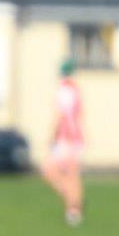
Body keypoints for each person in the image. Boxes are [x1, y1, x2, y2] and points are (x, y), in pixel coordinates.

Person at [42, 59, 85, 226]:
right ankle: (74, 207)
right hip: (75, 137)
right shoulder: (75, 89)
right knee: (72, 175)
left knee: (51, 171)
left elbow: (61, 115)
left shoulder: (64, 90)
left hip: (66, 138)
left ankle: (72, 206)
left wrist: (52, 136)